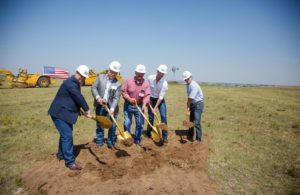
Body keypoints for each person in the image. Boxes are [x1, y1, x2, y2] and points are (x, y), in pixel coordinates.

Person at [49, 65, 91, 171]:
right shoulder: (70, 83)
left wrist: (79, 111)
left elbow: (72, 99)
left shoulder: (74, 83)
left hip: (65, 112)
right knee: (67, 136)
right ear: (78, 74)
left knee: (64, 135)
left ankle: (61, 154)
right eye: (82, 76)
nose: (82, 78)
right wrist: (87, 110)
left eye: (83, 77)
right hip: (59, 113)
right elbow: (78, 97)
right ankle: (70, 162)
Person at [91, 61, 122, 149]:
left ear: (117, 73)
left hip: (111, 107)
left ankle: (110, 142)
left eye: (115, 73)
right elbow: (93, 88)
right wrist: (98, 98)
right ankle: (99, 142)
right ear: (108, 70)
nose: (112, 74)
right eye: (111, 72)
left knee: (112, 125)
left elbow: (116, 98)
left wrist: (112, 109)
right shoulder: (100, 77)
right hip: (100, 105)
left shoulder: (118, 83)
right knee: (100, 124)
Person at [121, 64, 150, 147]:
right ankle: (128, 139)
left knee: (140, 124)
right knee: (127, 123)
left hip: (140, 106)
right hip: (128, 105)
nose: (140, 76)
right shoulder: (128, 81)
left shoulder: (146, 83)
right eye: (138, 74)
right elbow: (123, 92)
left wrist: (144, 104)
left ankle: (137, 140)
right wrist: (129, 99)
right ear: (135, 72)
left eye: (142, 74)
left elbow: (147, 95)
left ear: (144, 74)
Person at [147, 64, 169, 144]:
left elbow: (161, 97)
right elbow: (147, 89)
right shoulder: (150, 78)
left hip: (160, 100)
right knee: (150, 117)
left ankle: (165, 136)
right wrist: (148, 99)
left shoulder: (164, 84)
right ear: (157, 71)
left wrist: (155, 107)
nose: (161, 75)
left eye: (163, 74)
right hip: (151, 99)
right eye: (160, 73)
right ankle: (149, 133)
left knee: (163, 117)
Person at [182, 71, 204, 142]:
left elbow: (190, 98)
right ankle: (190, 136)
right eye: (185, 79)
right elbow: (189, 96)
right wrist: (189, 107)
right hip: (192, 104)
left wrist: (188, 106)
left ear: (191, 77)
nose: (186, 80)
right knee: (190, 121)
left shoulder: (193, 85)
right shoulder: (188, 84)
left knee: (197, 122)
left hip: (198, 104)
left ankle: (198, 139)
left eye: (187, 79)